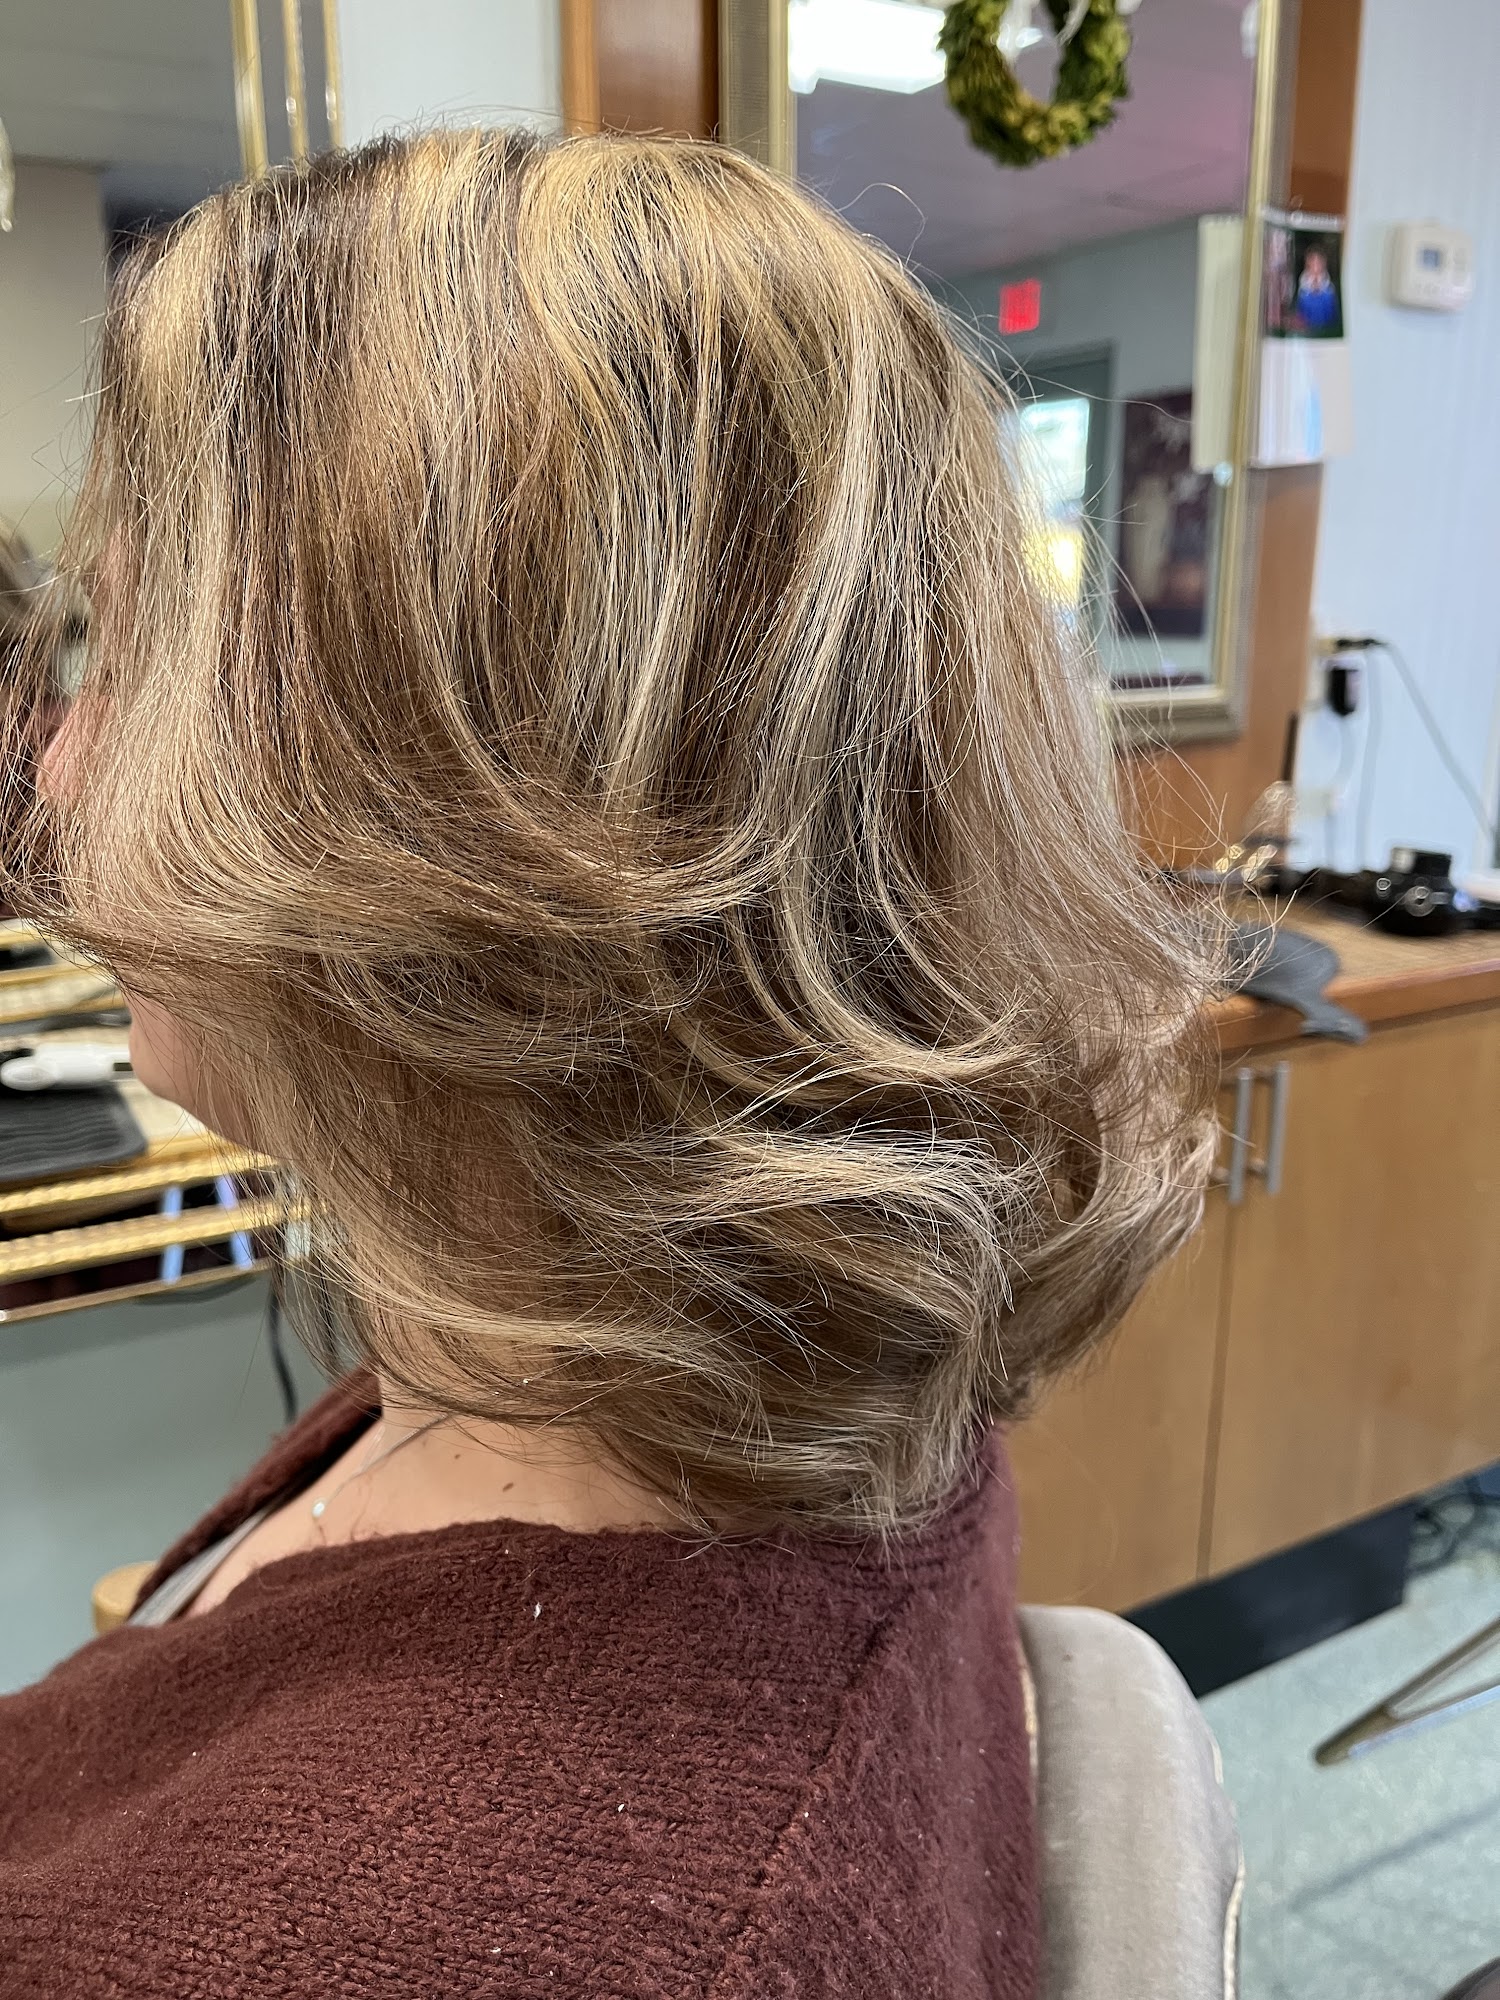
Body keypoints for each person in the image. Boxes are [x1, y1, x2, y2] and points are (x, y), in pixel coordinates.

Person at [0, 130, 1217, 1996]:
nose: (59, 765)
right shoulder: (687, 1375)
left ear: (431, 808)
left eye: (125, 651)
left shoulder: (410, 1931)